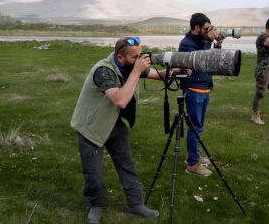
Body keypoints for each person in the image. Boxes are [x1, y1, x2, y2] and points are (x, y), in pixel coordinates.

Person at [71, 37, 188, 223]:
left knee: (127, 164)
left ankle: (136, 204)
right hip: (90, 125)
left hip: (113, 122)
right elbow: (120, 100)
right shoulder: (104, 71)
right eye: (135, 57)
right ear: (119, 56)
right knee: (94, 172)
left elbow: (159, 75)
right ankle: (96, 204)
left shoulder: (129, 65)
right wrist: (137, 71)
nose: (139, 59)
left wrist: (178, 70)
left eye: (140, 55)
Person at [179, 13, 226, 176]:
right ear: (196, 27)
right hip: (194, 89)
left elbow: (213, 61)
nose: (209, 31)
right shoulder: (186, 43)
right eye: (206, 29)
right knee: (194, 127)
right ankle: (192, 164)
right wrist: (208, 40)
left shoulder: (201, 41)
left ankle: (193, 155)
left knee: (198, 126)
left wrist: (218, 44)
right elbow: (201, 59)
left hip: (205, 88)